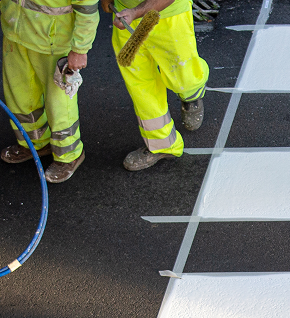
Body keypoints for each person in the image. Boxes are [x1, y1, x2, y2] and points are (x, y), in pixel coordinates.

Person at [0, 0, 99, 182]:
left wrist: (79, 49)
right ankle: (34, 143)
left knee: (59, 103)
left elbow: (87, 9)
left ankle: (69, 155)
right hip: (15, 34)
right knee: (19, 96)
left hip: (54, 42)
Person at [102, 0, 207, 171]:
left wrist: (137, 11)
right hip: (126, 17)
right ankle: (163, 145)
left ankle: (192, 95)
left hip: (169, 15)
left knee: (183, 76)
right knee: (140, 85)